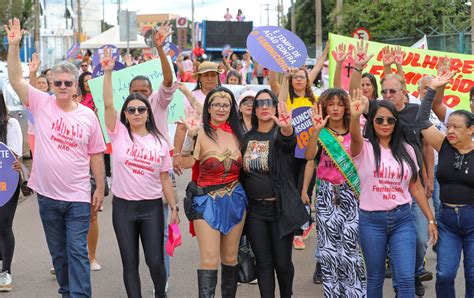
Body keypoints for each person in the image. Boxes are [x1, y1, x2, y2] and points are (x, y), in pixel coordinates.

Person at [5, 18, 106, 297]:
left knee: (77, 251)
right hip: (48, 197)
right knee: (59, 255)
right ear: (52, 83)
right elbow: (15, 80)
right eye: (57, 82)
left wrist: (100, 186)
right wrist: (14, 46)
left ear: (76, 86)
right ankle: (66, 291)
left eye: (67, 83)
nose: (62, 86)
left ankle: (80, 295)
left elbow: (96, 153)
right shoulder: (42, 102)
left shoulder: (87, 116)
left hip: (77, 197)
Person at [101, 47, 179, 298]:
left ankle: (160, 293)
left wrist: (174, 207)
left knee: (155, 262)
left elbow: (165, 178)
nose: (136, 113)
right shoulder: (118, 133)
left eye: (141, 109)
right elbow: (109, 102)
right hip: (124, 207)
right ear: (125, 114)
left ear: (148, 112)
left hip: (152, 208)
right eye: (131, 110)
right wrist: (108, 73)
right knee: (130, 264)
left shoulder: (159, 142)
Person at [349, 90, 437, 297]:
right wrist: (354, 117)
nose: (385, 123)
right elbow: (354, 136)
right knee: (375, 277)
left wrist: (431, 220)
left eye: (390, 120)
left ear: (397, 123)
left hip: (402, 220)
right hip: (371, 221)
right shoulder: (364, 147)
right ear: (372, 122)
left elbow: (415, 186)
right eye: (379, 119)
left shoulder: (407, 149)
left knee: (406, 278)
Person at [240, 89, 309, 298]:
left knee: (283, 263)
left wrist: (287, 127)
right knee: (263, 263)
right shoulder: (247, 137)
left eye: (268, 102)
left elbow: (289, 144)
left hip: (280, 210)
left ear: (275, 106)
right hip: (255, 211)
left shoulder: (281, 134)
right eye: (259, 103)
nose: (263, 107)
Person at [179, 86, 246, 297]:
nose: (221, 108)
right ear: (208, 108)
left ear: (231, 108)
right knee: (209, 258)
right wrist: (189, 137)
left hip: (235, 200)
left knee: (230, 257)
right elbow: (186, 162)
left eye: (225, 105)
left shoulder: (238, 135)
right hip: (205, 202)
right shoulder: (200, 133)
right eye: (216, 104)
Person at [415, 71, 474, 298]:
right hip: (447, 222)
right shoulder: (443, 145)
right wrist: (432, 90)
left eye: (456, 127)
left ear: (471, 129)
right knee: (444, 275)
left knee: (472, 276)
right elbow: (421, 121)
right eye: (448, 126)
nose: (449, 130)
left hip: (472, 221)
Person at [305, 88, 366, 297]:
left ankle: (355, 293)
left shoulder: (354, 130)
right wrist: (315, 131)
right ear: (324, 107)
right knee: (329, 252)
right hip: (326, 195)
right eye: (331, 104)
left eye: (340, 104)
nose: (336, 108)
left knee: (351, 250)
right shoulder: (321, 132)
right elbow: (309, 155)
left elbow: (361, 152)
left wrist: (356, 119)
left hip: (352, 194)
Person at [173, 61, 222, 176]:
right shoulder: (189, 97)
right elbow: (181, 128)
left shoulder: (225, 97)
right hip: (197, 151)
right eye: (206, 75)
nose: (210, 78)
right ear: (199, 77)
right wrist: (176, 155)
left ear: (218, 77)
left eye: (213, 75)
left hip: (222, 147)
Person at [0, 93, 23, 292]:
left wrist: (17, 162)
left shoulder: (11, 124)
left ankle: (5, 271)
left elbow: (14, 154)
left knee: (4, 225)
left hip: (6, 182)